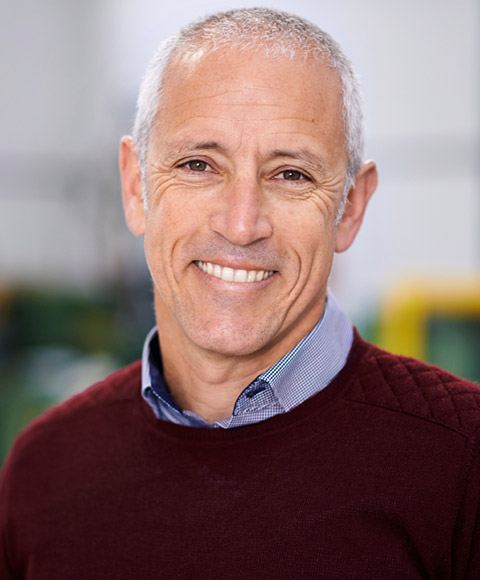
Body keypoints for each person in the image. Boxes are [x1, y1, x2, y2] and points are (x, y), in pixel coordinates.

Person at [1, 7, 479, 579]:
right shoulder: (45, 468)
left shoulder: (463, 461)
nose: (241, 223)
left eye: (291, 174)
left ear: (351, 207)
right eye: (199, 164)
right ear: (135, 187)